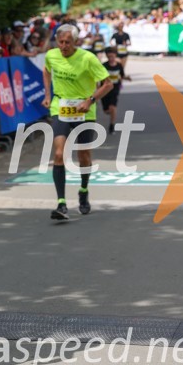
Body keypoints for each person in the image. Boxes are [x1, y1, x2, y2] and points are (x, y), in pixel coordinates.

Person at [42, 24, 113, 221]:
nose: (64, 46)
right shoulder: (52, 55)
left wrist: (90, 100)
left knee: (83, 155)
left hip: (84, 111)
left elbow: (108, 84)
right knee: (58, 154)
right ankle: (62, 203)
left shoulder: (88, 58)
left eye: (68, 42)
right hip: (61, 108)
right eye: (61, 42)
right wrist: (48, 95)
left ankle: (83, 190)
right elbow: (46, 71)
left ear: (76, 42)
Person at [100, 47, 131, 134]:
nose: (111, 58)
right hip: (105, 90)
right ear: (107, 56)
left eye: (112, 56)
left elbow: (122, 75)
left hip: (115, 89)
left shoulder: (119, 65)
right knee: (106, 110)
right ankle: (110, 112)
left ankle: (112, 125)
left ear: (115, 56)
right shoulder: (104, 66)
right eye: (109, 57)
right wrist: (98, 86)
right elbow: (99, 77)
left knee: (112, 107)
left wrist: (127, 78)